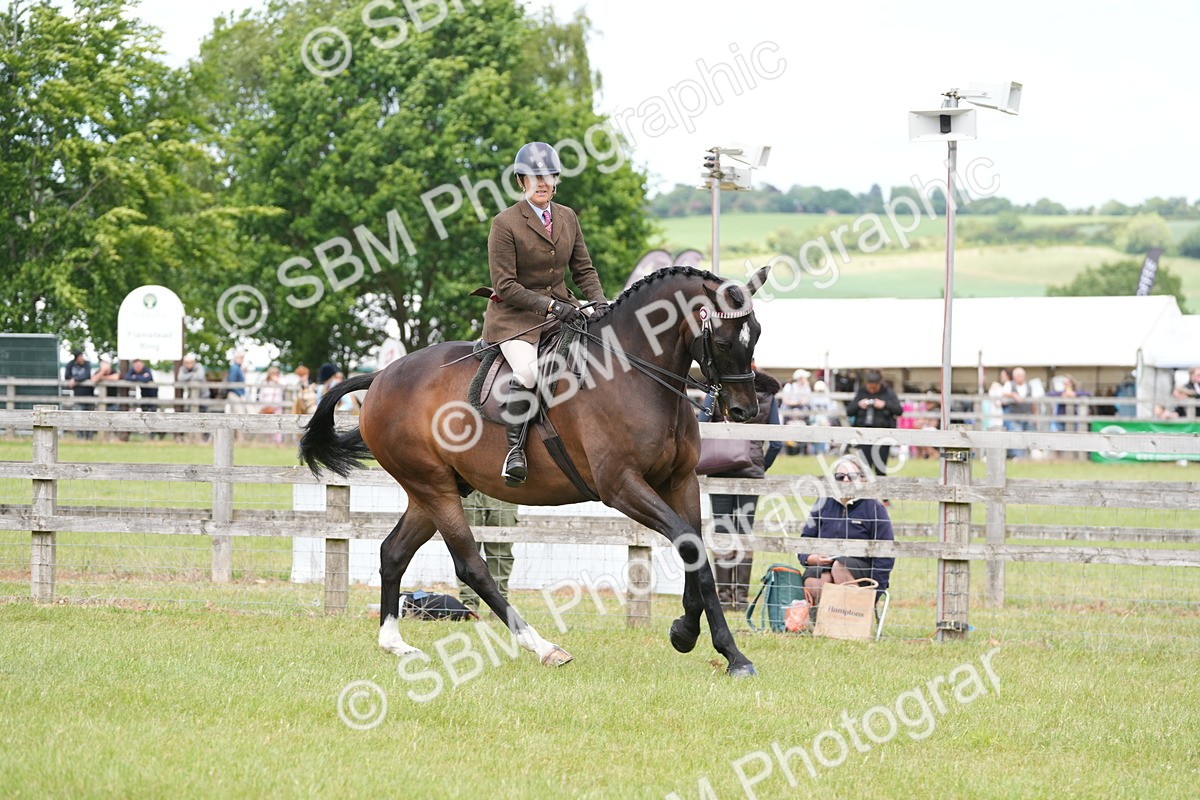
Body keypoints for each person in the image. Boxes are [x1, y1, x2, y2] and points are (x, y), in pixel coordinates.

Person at [482, 141, 609, 487]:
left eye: (548, 175)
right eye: (534, 176)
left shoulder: (567, 216)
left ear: (556, 179)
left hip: (563, 311)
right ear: (522, 181)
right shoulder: (504, 223)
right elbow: (505, 285)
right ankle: (515, 452)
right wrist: (553, 306)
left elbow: (583, 270)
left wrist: (598, 302)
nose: (542, 182)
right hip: (515, 319)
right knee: (527, 372)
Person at [708, 367, 783, 612]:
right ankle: (740, 598)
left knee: (722, 531)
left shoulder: (719, 389)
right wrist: (761, 463)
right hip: (751, 470)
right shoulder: (768, 395)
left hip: (719, 467)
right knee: (743, 531)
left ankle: (723, 596)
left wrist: (711, 391)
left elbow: (700, 423)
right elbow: (777, 441)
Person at [797, 454, 895, 628]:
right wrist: (811, 558)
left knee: (839, 566)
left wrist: (876, 592)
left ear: (862, 480)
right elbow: (805, 540)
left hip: (861, 570)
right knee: (816, 577)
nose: (845, 480)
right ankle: (820, 625)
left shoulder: (874, 507)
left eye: (852, 476)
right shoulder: (823, 503)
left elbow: (886, 553)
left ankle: (850, 625)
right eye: (840, 477)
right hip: (826, 563)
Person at [456, 490, 518, 615]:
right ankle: (468, 606)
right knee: (464, 549)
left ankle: (501, 607)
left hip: (501, 483)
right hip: (467, 483)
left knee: (501, 548)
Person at [849, 369, 903, 483]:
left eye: (874, 387)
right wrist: (859, 405)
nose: (872, 390)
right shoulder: (862, 392)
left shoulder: (888, 392)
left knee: (880, 469)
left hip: (882, 436)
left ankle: (884, 500)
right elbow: (849, 411)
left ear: (879, 384)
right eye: (870, 387)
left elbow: (898, 410)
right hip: (864, 435)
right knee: (864, 469)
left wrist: (884, 405)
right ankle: (864, 498)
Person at [1002, 367, 1042, 458]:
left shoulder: (1030, 386)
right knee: (1017, 436)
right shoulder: (1009, 384)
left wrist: (1035, 415)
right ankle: (1018, 457)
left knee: (1030, 436)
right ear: (1014, 376)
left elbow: (1033, 402)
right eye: (1018, 376)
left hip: (1027, 415)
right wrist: (1013, 395)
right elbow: (1003, 393)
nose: (1020, 377)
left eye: (1021, 376)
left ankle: (1028, 457)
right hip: (1014, 416)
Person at [125, 359, 164, 440]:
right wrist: (141, 377)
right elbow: (127, 377)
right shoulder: (133, 370)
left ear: (142, 364)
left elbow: (147, 378)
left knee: (154, 415)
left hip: (153, 395)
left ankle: (156, 433)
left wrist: (135, 377)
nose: (137, 367)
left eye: (139, 365)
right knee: (145, 414)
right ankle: (150, 432)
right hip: (143, 396)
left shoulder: (147, 370)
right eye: (136, 366)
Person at [63, 349, 95, 438]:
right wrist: (75, 379)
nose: (82, 358)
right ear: (76, 358)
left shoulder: (87, 364)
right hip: (77, 395)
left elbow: (87, 375)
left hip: (89, 395)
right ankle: (80, 437)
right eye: (80, 356)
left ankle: (89, 438)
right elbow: (67, 376)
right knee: (79, 416)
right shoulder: (71, 364)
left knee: (90, 417)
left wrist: (75, 379)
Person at [227, 350, 249, 415]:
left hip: (236, 394)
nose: (242, 360)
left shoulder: (237, 368)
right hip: (235, 394)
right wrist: (240, 394)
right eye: (241, 358)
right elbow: (232, 382)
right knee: (240, 414)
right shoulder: (235, 368)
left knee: (235, 414)